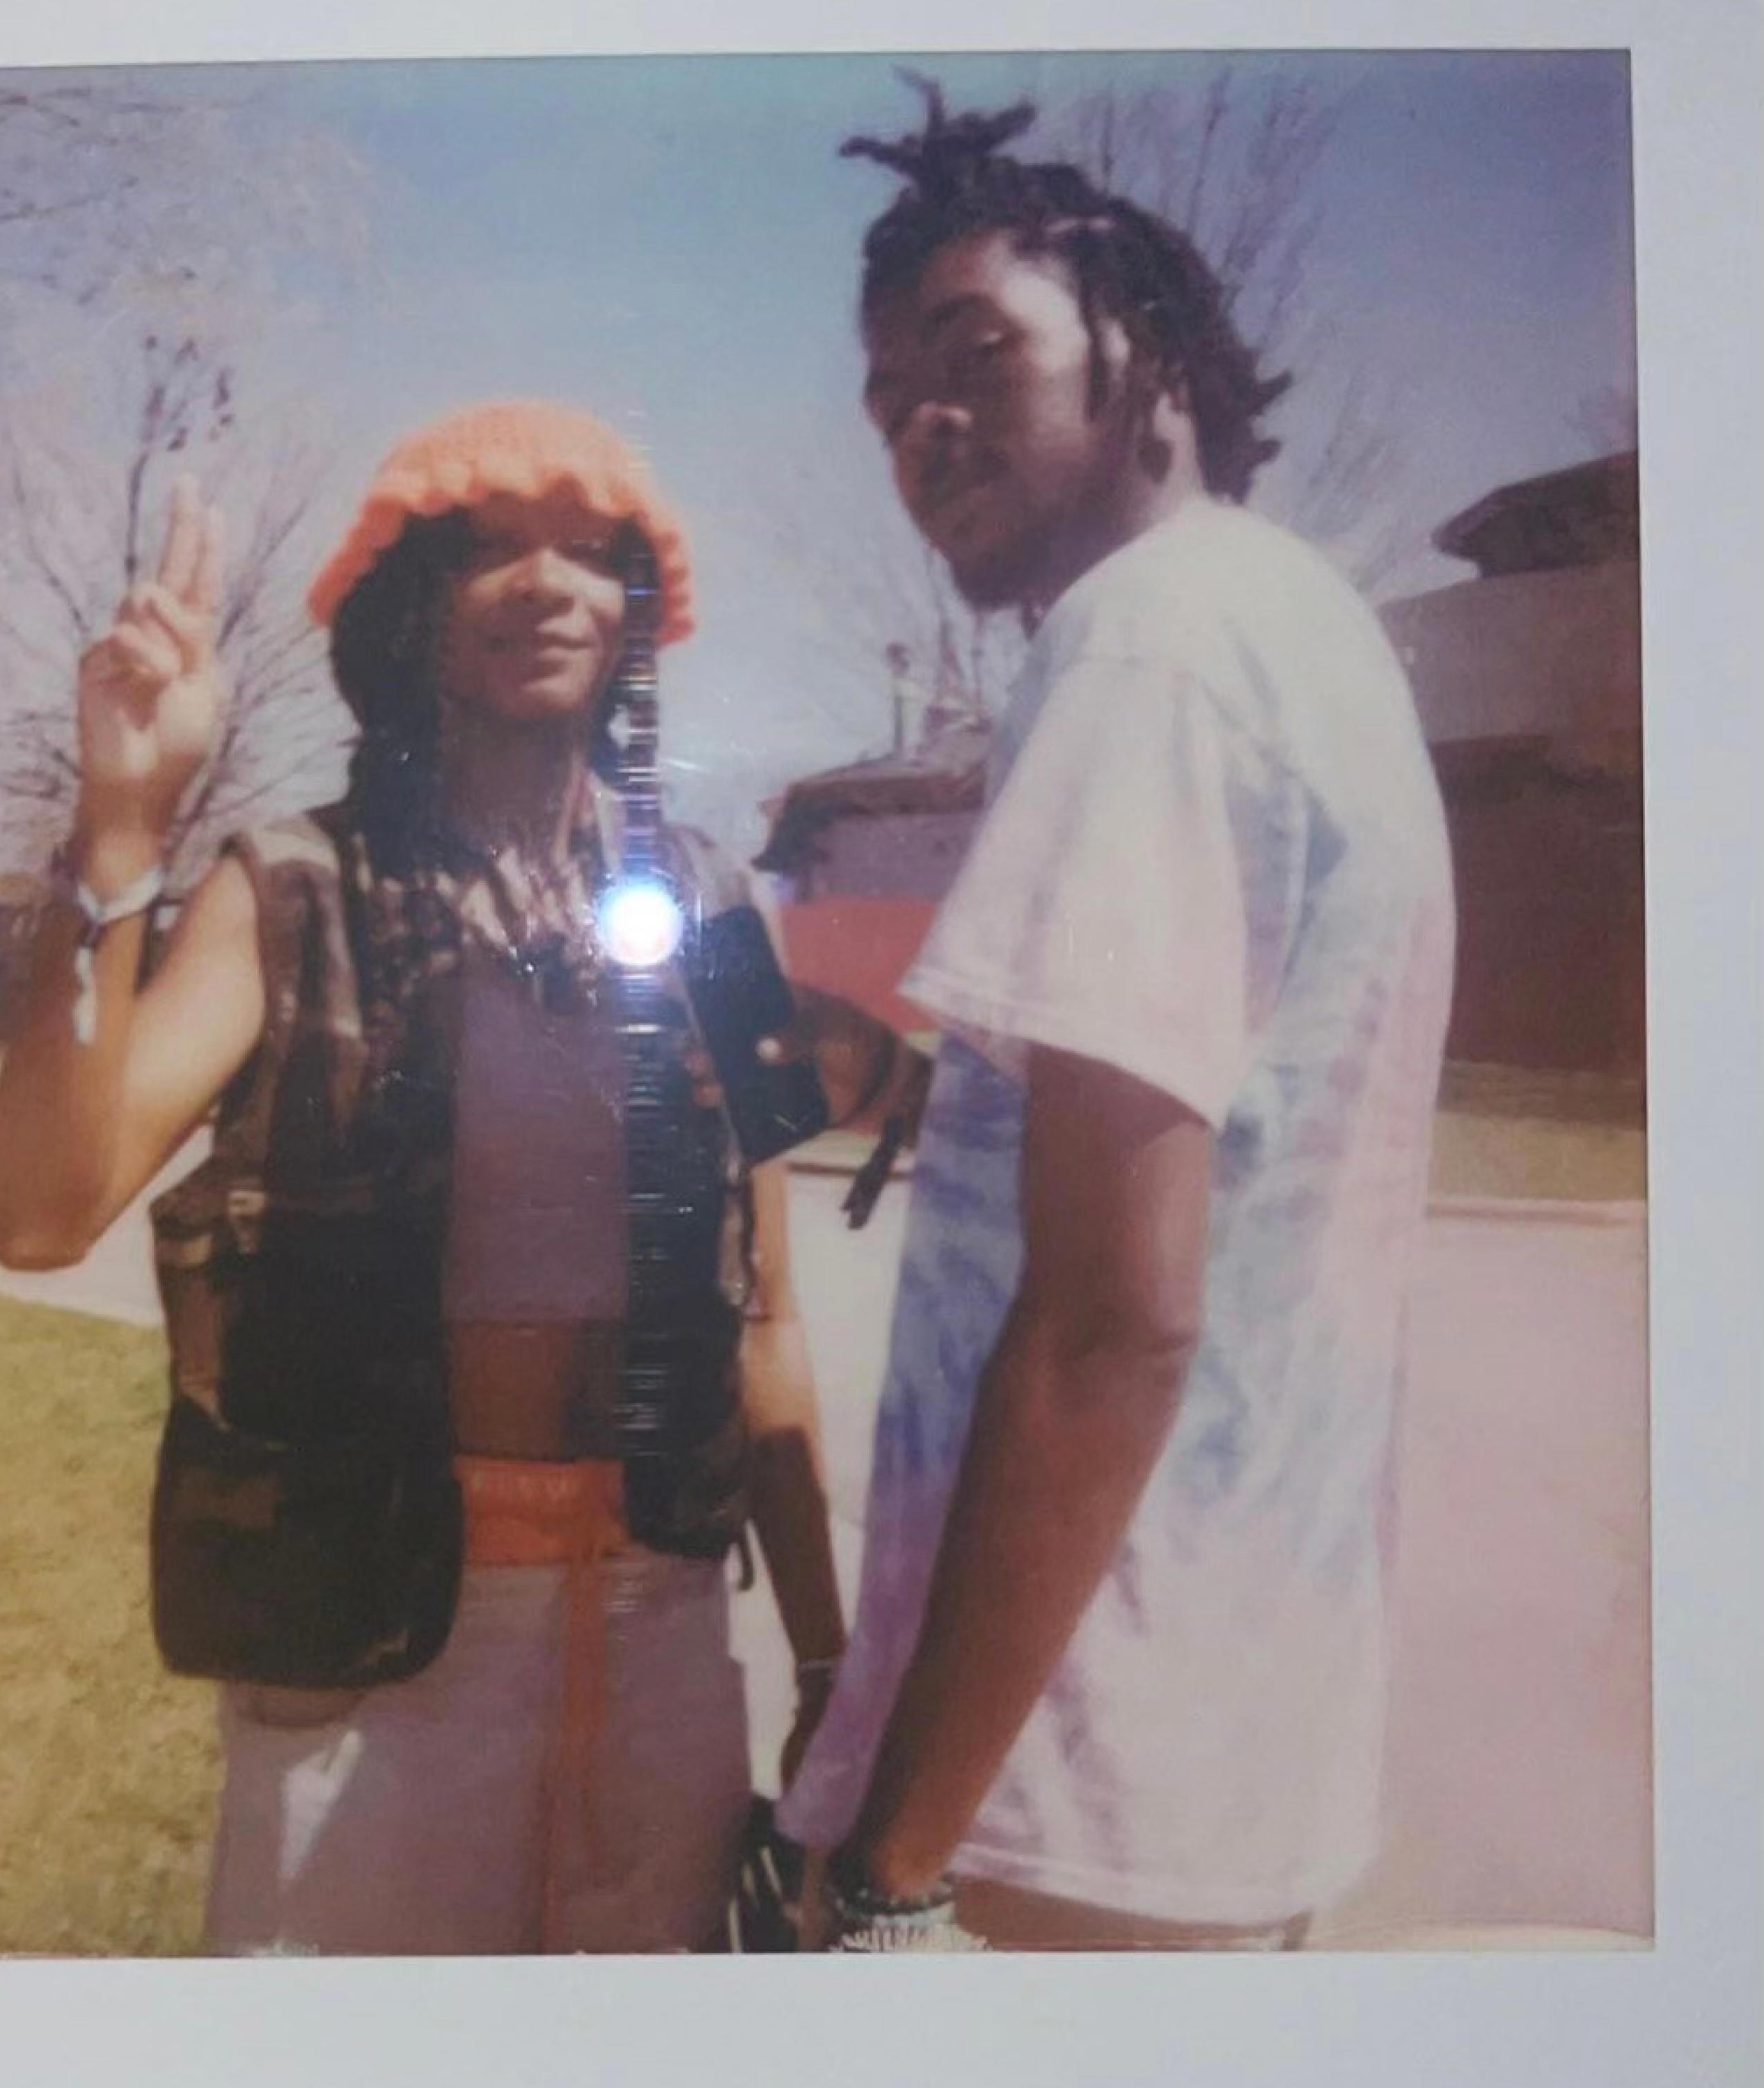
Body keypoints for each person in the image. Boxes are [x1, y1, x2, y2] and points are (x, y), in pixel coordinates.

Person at [0, 401, 848, 1955]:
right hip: (373, 1626)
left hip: (662, 1617)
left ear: (638, 611)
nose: (549, 583)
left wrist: (828, 1659)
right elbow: (38, 1218)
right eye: (490, 548)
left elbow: (768, 1316)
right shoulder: (289, 888)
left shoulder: (708, 901)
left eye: (591, 552)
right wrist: (121, 828)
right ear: (407, 610)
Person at [772, 88, 1457, 1951]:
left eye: (974, 355)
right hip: (1232, 1754)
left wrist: (896, 1870)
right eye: (887, 402)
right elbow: (1227, 1155)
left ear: (1143, 347)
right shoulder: (1300, 626)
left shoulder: (1145, 648)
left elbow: (1114, 1324)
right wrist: (915, 1087)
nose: (920, 425)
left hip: (1062, 1804)